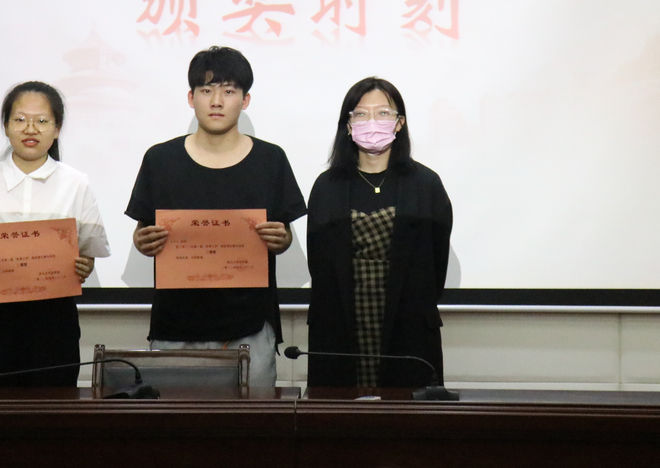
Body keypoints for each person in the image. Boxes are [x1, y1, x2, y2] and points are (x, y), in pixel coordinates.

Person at [126, 46, 306, 388]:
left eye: (229, 91)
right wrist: (142, 241)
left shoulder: (270, 160)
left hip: (250, 327)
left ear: (245, 100)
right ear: (191, 97)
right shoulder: (160, 160)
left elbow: (283, 235)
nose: (217, 101)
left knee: (251, 420)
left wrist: (281, 240)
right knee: (175, 420)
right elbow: (142, 231)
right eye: (207, 90)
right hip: (176, 326)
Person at [0, 81, 110, 387]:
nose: (31, 129)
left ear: (57, 129)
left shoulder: (76, 184)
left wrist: (85, 265)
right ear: (5, 126)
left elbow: (88, 254)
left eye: (42, 121)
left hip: (54, 324)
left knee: (54, 408)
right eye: (20, 119)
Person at [306, 77, 452, 388]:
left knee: (406, 413)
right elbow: (319, 264)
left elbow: (436, 262)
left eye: (383, 113)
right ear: (348, 125)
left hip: (409, 327)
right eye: (361, 114)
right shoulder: (326, 186)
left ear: (399, 123)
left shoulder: (426, 184)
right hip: (339, 327)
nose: (372, 122)